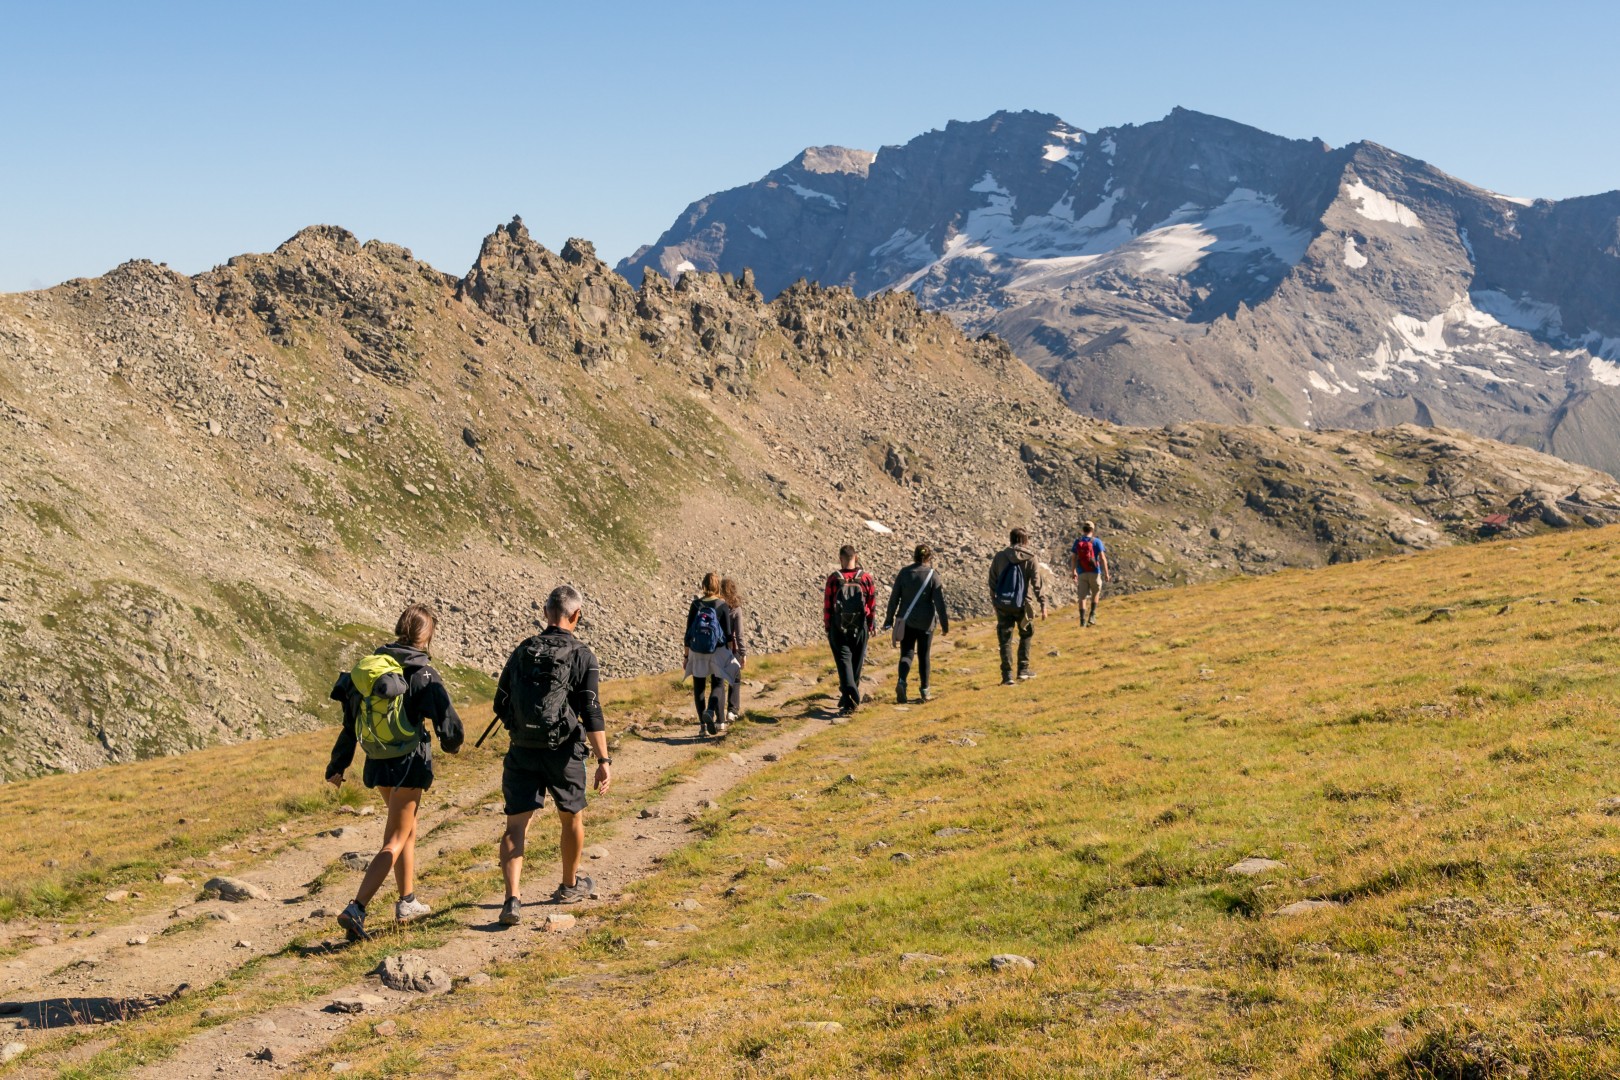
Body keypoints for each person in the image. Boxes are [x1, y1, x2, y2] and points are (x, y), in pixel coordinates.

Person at [326, 604, 464, 941]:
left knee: (407, 830)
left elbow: (349, 725)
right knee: (395, 839)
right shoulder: (421, 672)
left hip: (377, 761)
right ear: (426, 636)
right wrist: (452, 743)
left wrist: (338, 766)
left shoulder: (370, 671)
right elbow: (449, 722)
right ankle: (356, 907)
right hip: (408, 764)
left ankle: (407, 901)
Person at [492, 585, 613, 926]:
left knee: (516, 824)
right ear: (577, 615)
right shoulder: (583, 655)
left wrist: (521, 730)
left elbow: (499, 702)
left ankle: (512, 899)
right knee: (570, 816)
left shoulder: (523, 650)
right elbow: (591, 711)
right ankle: (569, 884)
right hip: (565, 754)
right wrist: (604, 761)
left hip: (522, 751)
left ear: (546, 613)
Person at [881, 544, 950, 704]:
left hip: (906, 621)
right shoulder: (933, 575)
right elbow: (940, 603)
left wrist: (889, 619)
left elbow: (894, 598)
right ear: (929, 558)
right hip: (926, 623)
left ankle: (901, 681)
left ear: (914, 556)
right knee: (924, 655)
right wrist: (945, 625)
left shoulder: (904, 573)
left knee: (906, 653)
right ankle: (925, 690)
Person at [988, 528, 1047, 685]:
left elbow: (992, 581)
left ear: (1011, 539)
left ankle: (1007, 676)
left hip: (1003, 605)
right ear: (1024, 540)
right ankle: (1023, 670)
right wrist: (1043, 604)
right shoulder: (1030, 558)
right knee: (1026, 634)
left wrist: (995, 602)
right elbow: (1037, 583)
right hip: (1024, 604)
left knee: (1005, 639)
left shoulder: (1000, 557)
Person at [682, 573, 739, 736]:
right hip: (717, 651)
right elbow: (728, 634)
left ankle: (702, 726)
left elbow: (687, 634)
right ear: (717, 586)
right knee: (718, 685)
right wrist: (730, 654)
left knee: (699, 688)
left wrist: (686, 657)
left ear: (703, 585)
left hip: (697, 651)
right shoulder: (722, 605)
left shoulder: (695, 605)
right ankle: (711, 709)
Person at [823, 545, 877, 716]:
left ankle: (849, 700)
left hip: (839, 628)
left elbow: (827, 605)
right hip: (860, 627)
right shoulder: (866, 578)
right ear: (857, 557)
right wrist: (870, 625)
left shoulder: (833, 579)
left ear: (840, 559)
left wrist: (828, 626)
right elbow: (871, 604)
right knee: (856, 664)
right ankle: (850, 697)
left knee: (843, 662)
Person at [1070, 520, 1111, 627]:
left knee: (1082, 597)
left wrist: (1074, 571)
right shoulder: (1097, 541)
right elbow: (1102, 558)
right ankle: (1092, 615)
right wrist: (1106, 573)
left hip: (1082, 572)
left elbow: (1073, 558)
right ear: (1092, 530)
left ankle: (1082, 621)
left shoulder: (1077, 541)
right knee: (1095, 593)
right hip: (1094, 572)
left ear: (1083, 529)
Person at [719, 577, 747, 725]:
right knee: (734, 678)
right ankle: (732, 710)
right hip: (732, 649)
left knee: (719, 681)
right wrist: (743, 653)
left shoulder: (716, 606)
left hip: (717, 648)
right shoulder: (736, 608)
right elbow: (740, 634)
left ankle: (718, 713)